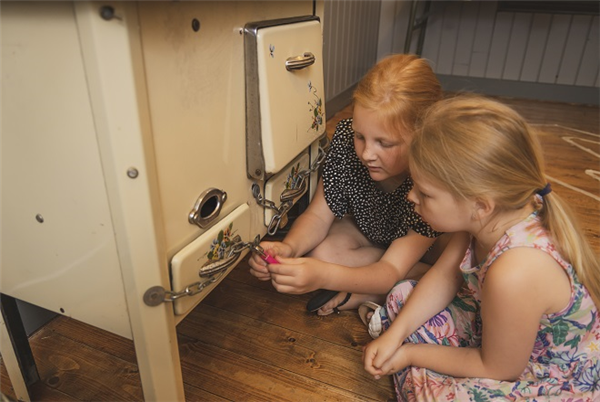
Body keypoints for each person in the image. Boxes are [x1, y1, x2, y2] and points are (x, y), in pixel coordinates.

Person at [362, 95, 600, 401]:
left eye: (425, 193)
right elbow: (445, 277)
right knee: (402, 296)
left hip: (544, 374)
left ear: (481, 205)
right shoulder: (481, 220)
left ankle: (420, 370)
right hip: (499, 336)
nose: (411, 197)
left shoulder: (515, 271)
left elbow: (500, 368)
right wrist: (396, 337)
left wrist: (409, 353)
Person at [248, 54, 456, 316]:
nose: (367, 153)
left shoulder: (432, 181)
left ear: (422, 136)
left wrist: (322, 276)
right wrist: (288, 248)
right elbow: (317, 216)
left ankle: (399, 283)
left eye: (384, 143)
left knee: (448, 269)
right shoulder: (346, 140)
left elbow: (390, 269)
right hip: (374, 234)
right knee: (321, 254)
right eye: (360, 136)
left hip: (420, 252)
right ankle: (387, 285)